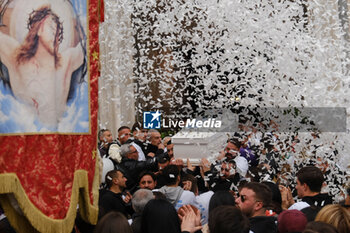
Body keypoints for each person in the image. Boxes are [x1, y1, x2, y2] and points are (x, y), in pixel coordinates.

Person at [0, 5, 84, 127]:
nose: (55, 34)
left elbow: (87, 46)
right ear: (38, 29)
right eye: (51, 27)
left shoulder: (66, 61)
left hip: (56, 135)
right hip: (24, 135)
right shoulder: (16, 57)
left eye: (57, 31)